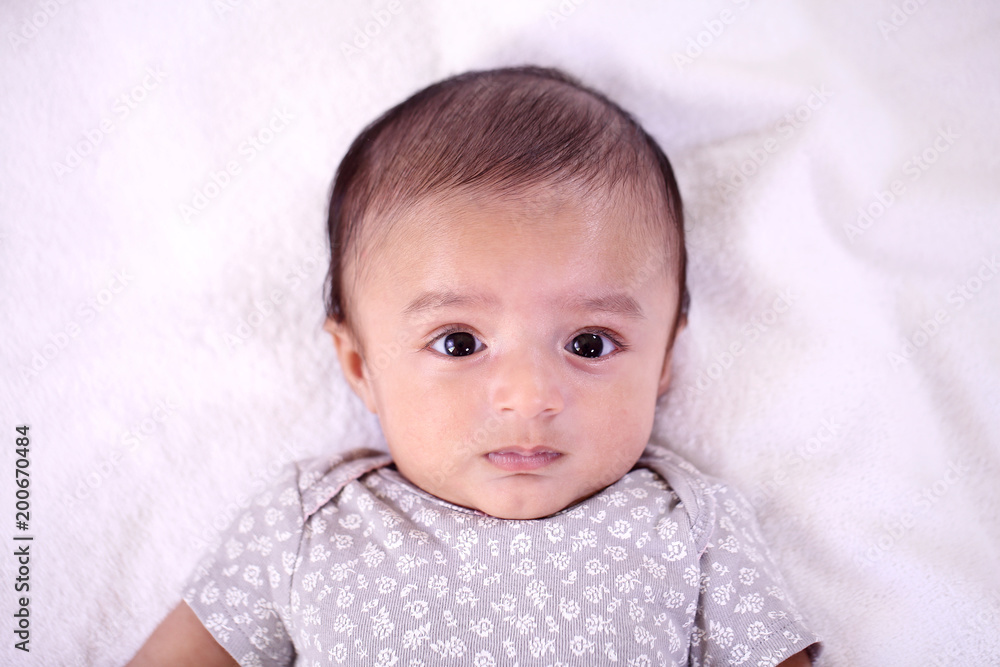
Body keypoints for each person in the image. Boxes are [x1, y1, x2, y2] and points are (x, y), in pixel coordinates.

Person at [129, 66, 821, 666]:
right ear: (360, 364)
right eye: (459, 342)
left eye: (589, 343)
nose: (528, 396)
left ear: (665, 358)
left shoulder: (691, 522)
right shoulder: (308, 519)